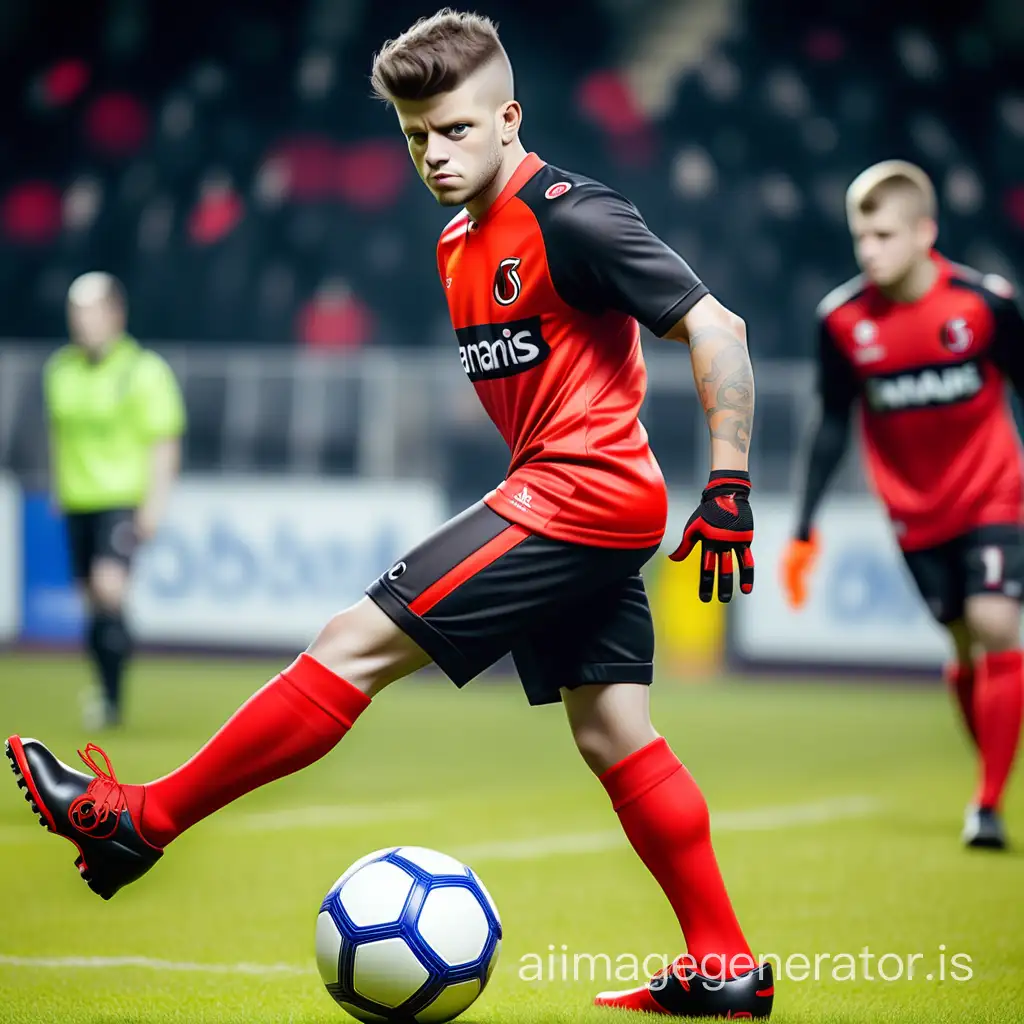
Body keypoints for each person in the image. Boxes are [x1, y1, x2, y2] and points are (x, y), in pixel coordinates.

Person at [6, 12, 772, 1019]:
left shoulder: (573, 215)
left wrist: (728, 483)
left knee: (351, 642)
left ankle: (136, 821)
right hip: (576, 491)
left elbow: (716, 326)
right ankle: (723, 966)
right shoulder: (456, 240)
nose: (434, 154)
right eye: (416, 137)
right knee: (614, 729)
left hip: (581, 490)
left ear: (509, 117)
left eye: (454, 129)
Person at [781, 160, 1024, 850]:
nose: (869, 251)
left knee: (995, 620)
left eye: (884, 235)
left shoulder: (985, 304)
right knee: (960, 643)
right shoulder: (843, 319)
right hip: (913, 513)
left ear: (925, 232)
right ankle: (993, 765)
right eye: (862, 237)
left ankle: (987, 803)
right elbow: (830, 425)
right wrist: (802, 531)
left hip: (993, 493)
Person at [43, 271, 185, 728]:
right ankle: (107, 689)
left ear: (115, 314)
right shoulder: (59, 370)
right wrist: (56, 486)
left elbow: (164, 441)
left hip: (121, 498)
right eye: (76, 314)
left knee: (109, 587)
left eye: (90, 312)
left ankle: (111, 697)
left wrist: (154, 504)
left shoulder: (143, 371)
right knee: (92, 601)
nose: (82, 322)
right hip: (78, 500)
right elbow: (58, 435)